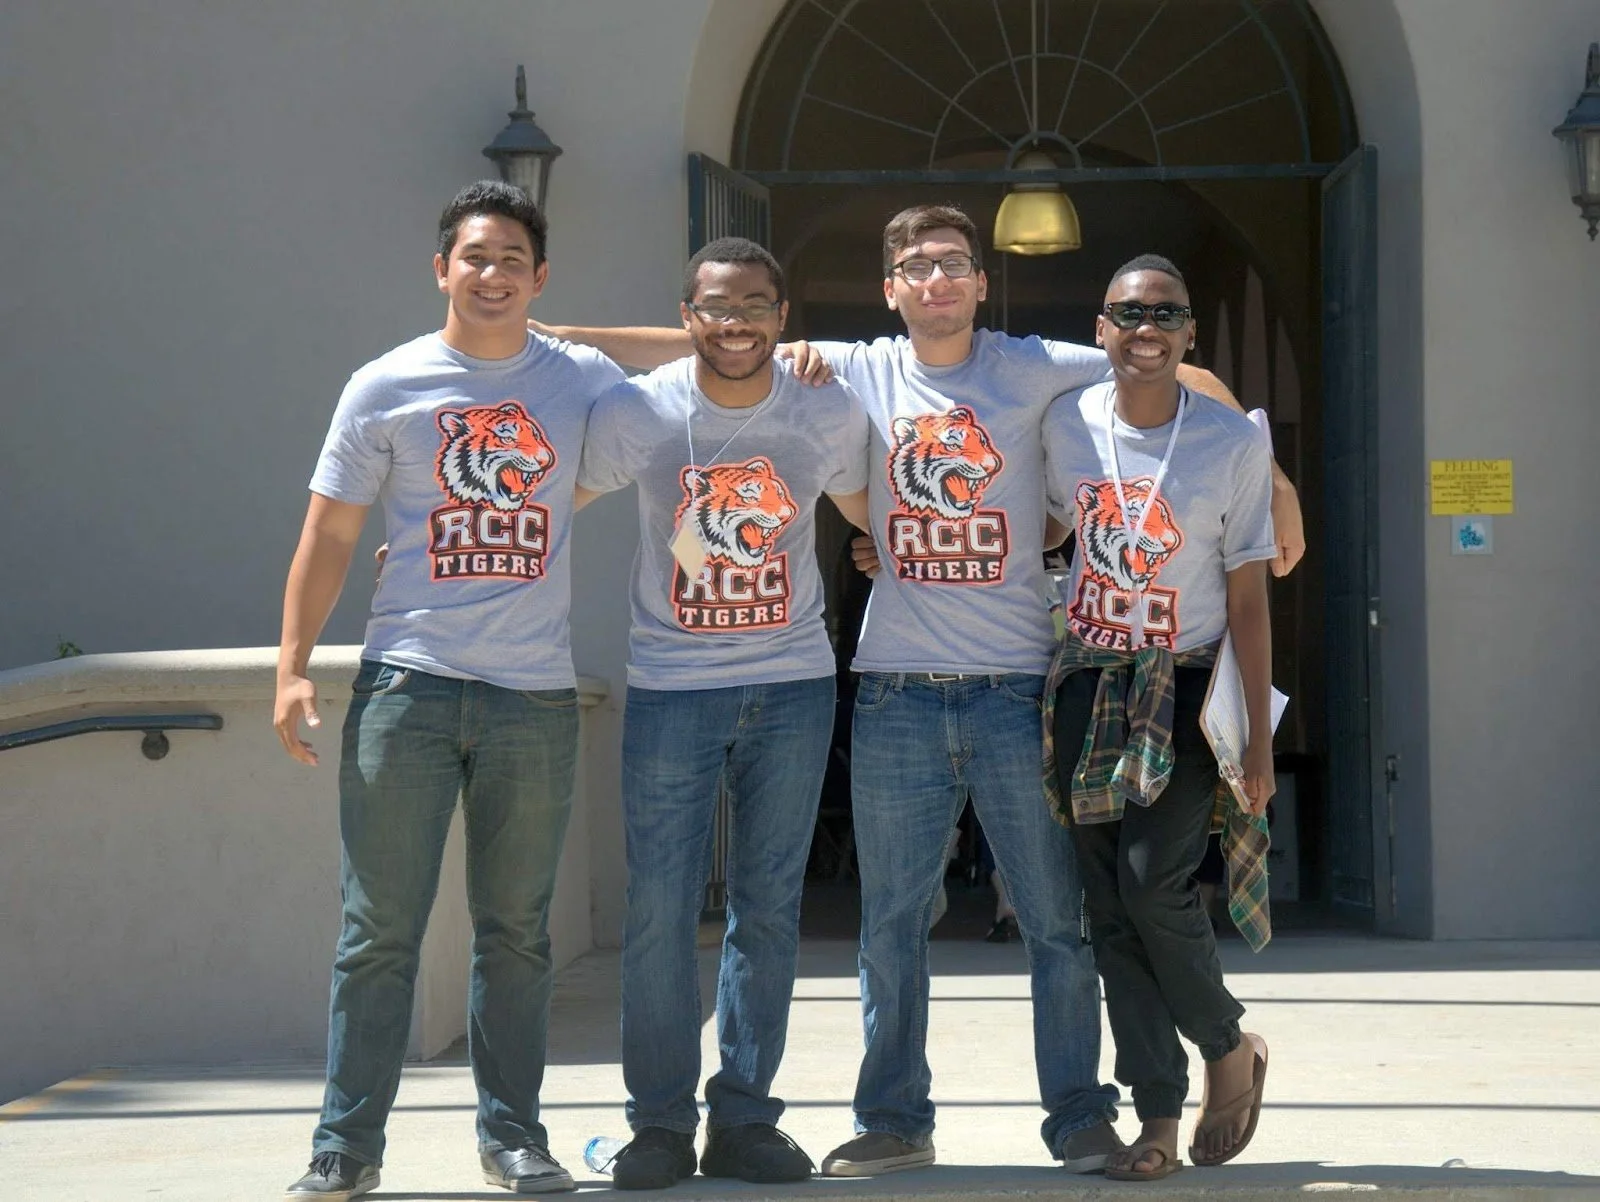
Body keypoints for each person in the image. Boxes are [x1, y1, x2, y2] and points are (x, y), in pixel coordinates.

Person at [529, 203, 1303, 1177]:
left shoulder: (1034, 364)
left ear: (980, 282)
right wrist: (561, 336)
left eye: (951, 263)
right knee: (891, 919)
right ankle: (894, 1112)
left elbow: (1168, 361)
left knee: (1057, 920)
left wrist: (1273, 483)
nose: (933, 278)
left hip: (1016, 686)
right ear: (891, 288)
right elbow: (724, 327)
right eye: (912, 265)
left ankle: (1077, 1113)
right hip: (893, 683)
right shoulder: (855, 365)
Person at [272, 180, 624, 1201]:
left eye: (513, 257)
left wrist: (572, 327)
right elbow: (329, 532)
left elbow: (695, 351)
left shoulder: (577, 375)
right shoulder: (385, 384)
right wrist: (292, 664)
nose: (492, 272)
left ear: (539, 276)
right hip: (408, 688)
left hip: (532, 698)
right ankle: (346, 1143)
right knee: (378, 926)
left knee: (517, 931)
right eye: (476, 255)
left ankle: (513, 1136)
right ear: (442, 268)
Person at [572, 237, 870, 1190]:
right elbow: (557, 498)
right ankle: (658, 1123)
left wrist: (879, 551)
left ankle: (743, 1119)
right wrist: (409, 561)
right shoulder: (641, 410)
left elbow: (879, 512)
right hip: (671, 686)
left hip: (792, 684)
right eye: (715, 305)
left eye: (754, 304)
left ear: (784, 317)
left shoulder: (824, 403)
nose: (734, 321)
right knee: (660, 911)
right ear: (686, 315)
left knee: (767, 912)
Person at [1042, 254, 1274, 1182]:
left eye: (1165, 313)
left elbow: (1250, 599)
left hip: (1184, 688)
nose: (1146, 328)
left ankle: (1227, 1044)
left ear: (1189, 336)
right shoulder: (1064, 424)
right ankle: (1159, 1116)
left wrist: (1258, 738)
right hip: (1088, 684)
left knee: (1152, 884)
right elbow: (1043, 527)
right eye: (1127, 313)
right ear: (1099, 329)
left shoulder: (1231, 443)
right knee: (1106, 911)